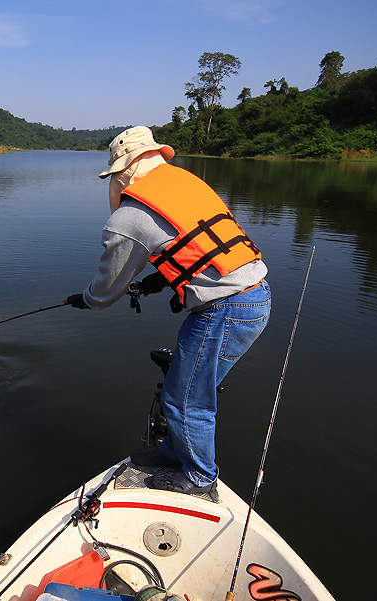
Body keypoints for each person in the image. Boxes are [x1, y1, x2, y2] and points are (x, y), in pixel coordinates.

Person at [65, 126, 271, 496]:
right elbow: (198, 250)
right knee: (185, 386)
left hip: (225, 309)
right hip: (252, 297)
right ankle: (174, 451)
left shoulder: (131, 215)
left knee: (186, 398)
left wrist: (86, 299)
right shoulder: (187, 182)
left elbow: (107, 289)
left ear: (122, 170)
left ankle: (199, 477)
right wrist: (155, 283)